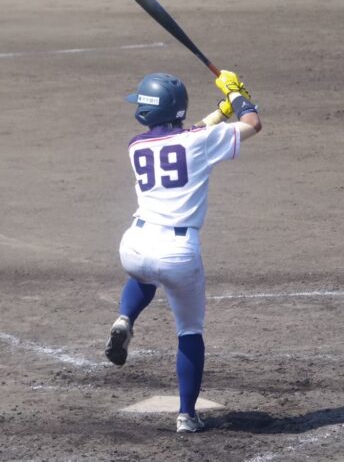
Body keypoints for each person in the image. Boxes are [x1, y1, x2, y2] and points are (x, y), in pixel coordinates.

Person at [104, 70, 262, 433]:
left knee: (144, 273)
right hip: (178, 252)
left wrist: (219, 113)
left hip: (135, 244)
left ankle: (124, 319)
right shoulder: (200, 143)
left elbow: (185, 135)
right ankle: (187, 416)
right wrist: (237, 96)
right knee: (189, 331)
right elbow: (253, 124)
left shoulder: (136, 146)